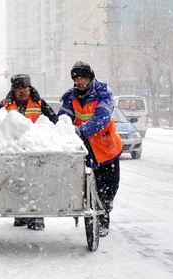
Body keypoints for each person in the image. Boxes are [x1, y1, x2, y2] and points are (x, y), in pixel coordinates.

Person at [56, 61, 122, 237]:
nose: (80, 82)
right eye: (77, 79)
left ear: (90, 78)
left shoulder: (103, 92)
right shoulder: (70, 97)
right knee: (95, 186)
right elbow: (64, 117)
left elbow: (102, 118)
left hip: (108, 149)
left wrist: (80, 130)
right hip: (88, 151)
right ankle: (101, 221)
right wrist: (61, 128)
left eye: (84, 78)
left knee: (111, 187)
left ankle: (106, 207)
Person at [0, 73, 58, 231]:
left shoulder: (39, 103)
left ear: (30, 89)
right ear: (13, 90)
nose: (22, 92)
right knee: (16, 182)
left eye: (25, 88)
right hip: (13, 150)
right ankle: (20, 214)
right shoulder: (5, 104)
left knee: (36, 182)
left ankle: (36, 216)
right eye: (19, 89)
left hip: (35, 150)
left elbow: (54, 121)